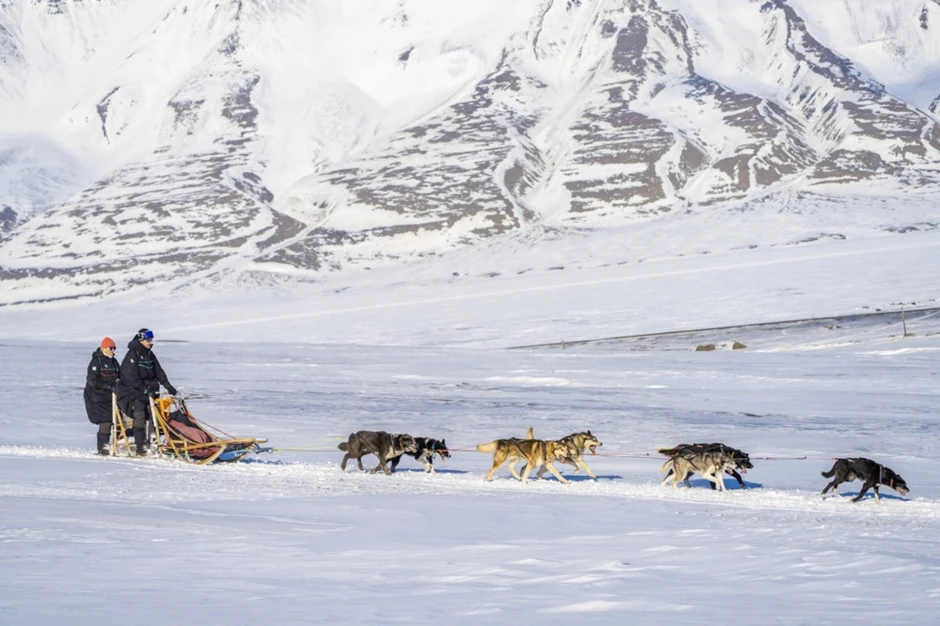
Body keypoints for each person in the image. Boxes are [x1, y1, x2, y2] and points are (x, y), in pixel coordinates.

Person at [116, 328, 178, 455]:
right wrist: (144, 389)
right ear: (141, 340)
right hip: (135, 394)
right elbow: (131, 378)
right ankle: (141, 448)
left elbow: (159, 372)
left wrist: (168, 386)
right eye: (148, 340)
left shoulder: (149, 354)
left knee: (155, 417)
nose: (150, 342)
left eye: (151, 340)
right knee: (140, 418)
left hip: (151, 393)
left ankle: (153, 443)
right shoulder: (133, 355)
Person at [84, 337, 122, 455]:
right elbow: (93, 381)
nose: (113, 350)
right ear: (103, 348)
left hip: (112, 397)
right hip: (98, 397)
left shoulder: (114, 362)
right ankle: (103, 448)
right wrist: (109, 387)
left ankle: (118, 446)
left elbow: (120, 377)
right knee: (105, 421)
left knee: (119, 420)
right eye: (111, 348)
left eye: (114, 348)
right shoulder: (96, 362)